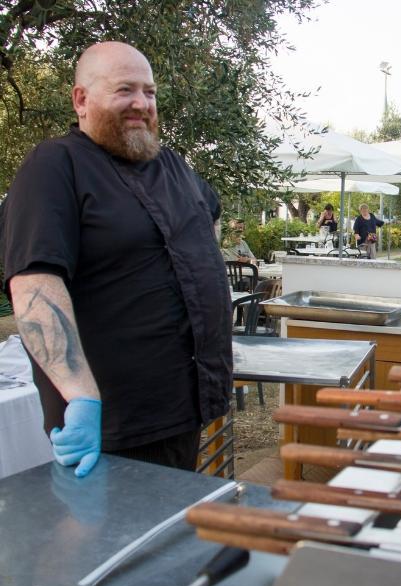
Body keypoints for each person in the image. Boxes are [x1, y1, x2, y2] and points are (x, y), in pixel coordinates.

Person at [1, 41, 233, 478]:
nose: (141, 104)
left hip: (186, 405)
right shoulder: (54, 165)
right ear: (81, 99)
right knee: (115, 543)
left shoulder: (173, 166)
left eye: (150, 92)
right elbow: (34, 285)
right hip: (113, 423)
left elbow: (209, 221)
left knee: (168, 537)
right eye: (125, 90)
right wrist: (81, 396)